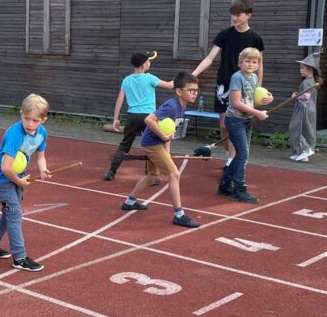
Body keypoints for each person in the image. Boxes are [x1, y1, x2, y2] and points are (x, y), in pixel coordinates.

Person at [121, 72, 202, 225]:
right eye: (191, 90)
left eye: (196, 90)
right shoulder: (171, 106)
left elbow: (169, 130)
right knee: (174, 174)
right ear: (179, 91)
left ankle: (129, 202)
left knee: (152, 176)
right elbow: (149, 119)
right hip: (152, 144)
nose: (195, 93)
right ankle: (179, 215)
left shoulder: (181, 106)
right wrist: (164, 138)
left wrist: (167, 149)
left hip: (157, 144)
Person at [0, 93, 52, 271]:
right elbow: (6, 167)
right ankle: (19, 258)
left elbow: (40, 156)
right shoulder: (16, 134)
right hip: (2, 177)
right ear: (21, 113)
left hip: (18, 175)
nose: (30, 124)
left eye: (35, 120)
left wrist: (43, 169)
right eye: (26, 118)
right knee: (14, 214)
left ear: (43, 120)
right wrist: (20, 182)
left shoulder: (42, 133)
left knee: (9, 213)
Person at [192, 0, 265, 165]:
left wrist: (259, 87)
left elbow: (260, 64)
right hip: (224, 85)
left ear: (248, 15)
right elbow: (210, 58)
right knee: (225, 125)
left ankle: (232, 161)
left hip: (245, 86)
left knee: (236, 124)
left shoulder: (256, 38)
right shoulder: (225, 34)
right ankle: (229, 154)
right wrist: (193, 75)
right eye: (233, 15)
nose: (234, 18)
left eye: (238, 15)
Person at [104, 50, 173, 181]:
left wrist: (116, 118)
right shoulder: (150, 78)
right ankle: (152, 176)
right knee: (153, 145)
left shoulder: (127, 80)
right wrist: (185, 78)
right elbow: (170, 85)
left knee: (125, 145)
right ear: (142, 65)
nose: (149, 63)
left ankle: (111, 171)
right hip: (148, 118)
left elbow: (120, 99)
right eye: (148, 61)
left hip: (132, 117)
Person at [219, 50, 272, 202]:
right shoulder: (237, 77)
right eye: (247, 61)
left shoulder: (254, 77)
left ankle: (225, 185)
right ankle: (239, 189)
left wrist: (269, 98)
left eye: (254, 62)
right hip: (235, 120)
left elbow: (253, 97)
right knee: (242, 154)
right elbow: (237, 103)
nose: (251, 64)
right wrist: (257, 113)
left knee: (241, 155)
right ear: (240, 62)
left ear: (258, 65)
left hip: (247, 120)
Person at [289, 52, 321, 162]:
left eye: (302, 68)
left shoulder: (306, 82)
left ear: (310, 69)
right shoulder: (312, 81)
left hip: (304, 108)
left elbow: (306, 97)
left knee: (295, 128)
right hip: (311, 108)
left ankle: (305, 149)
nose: (300, 70)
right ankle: (302, 153)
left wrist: (295, 96)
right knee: (306, 130)